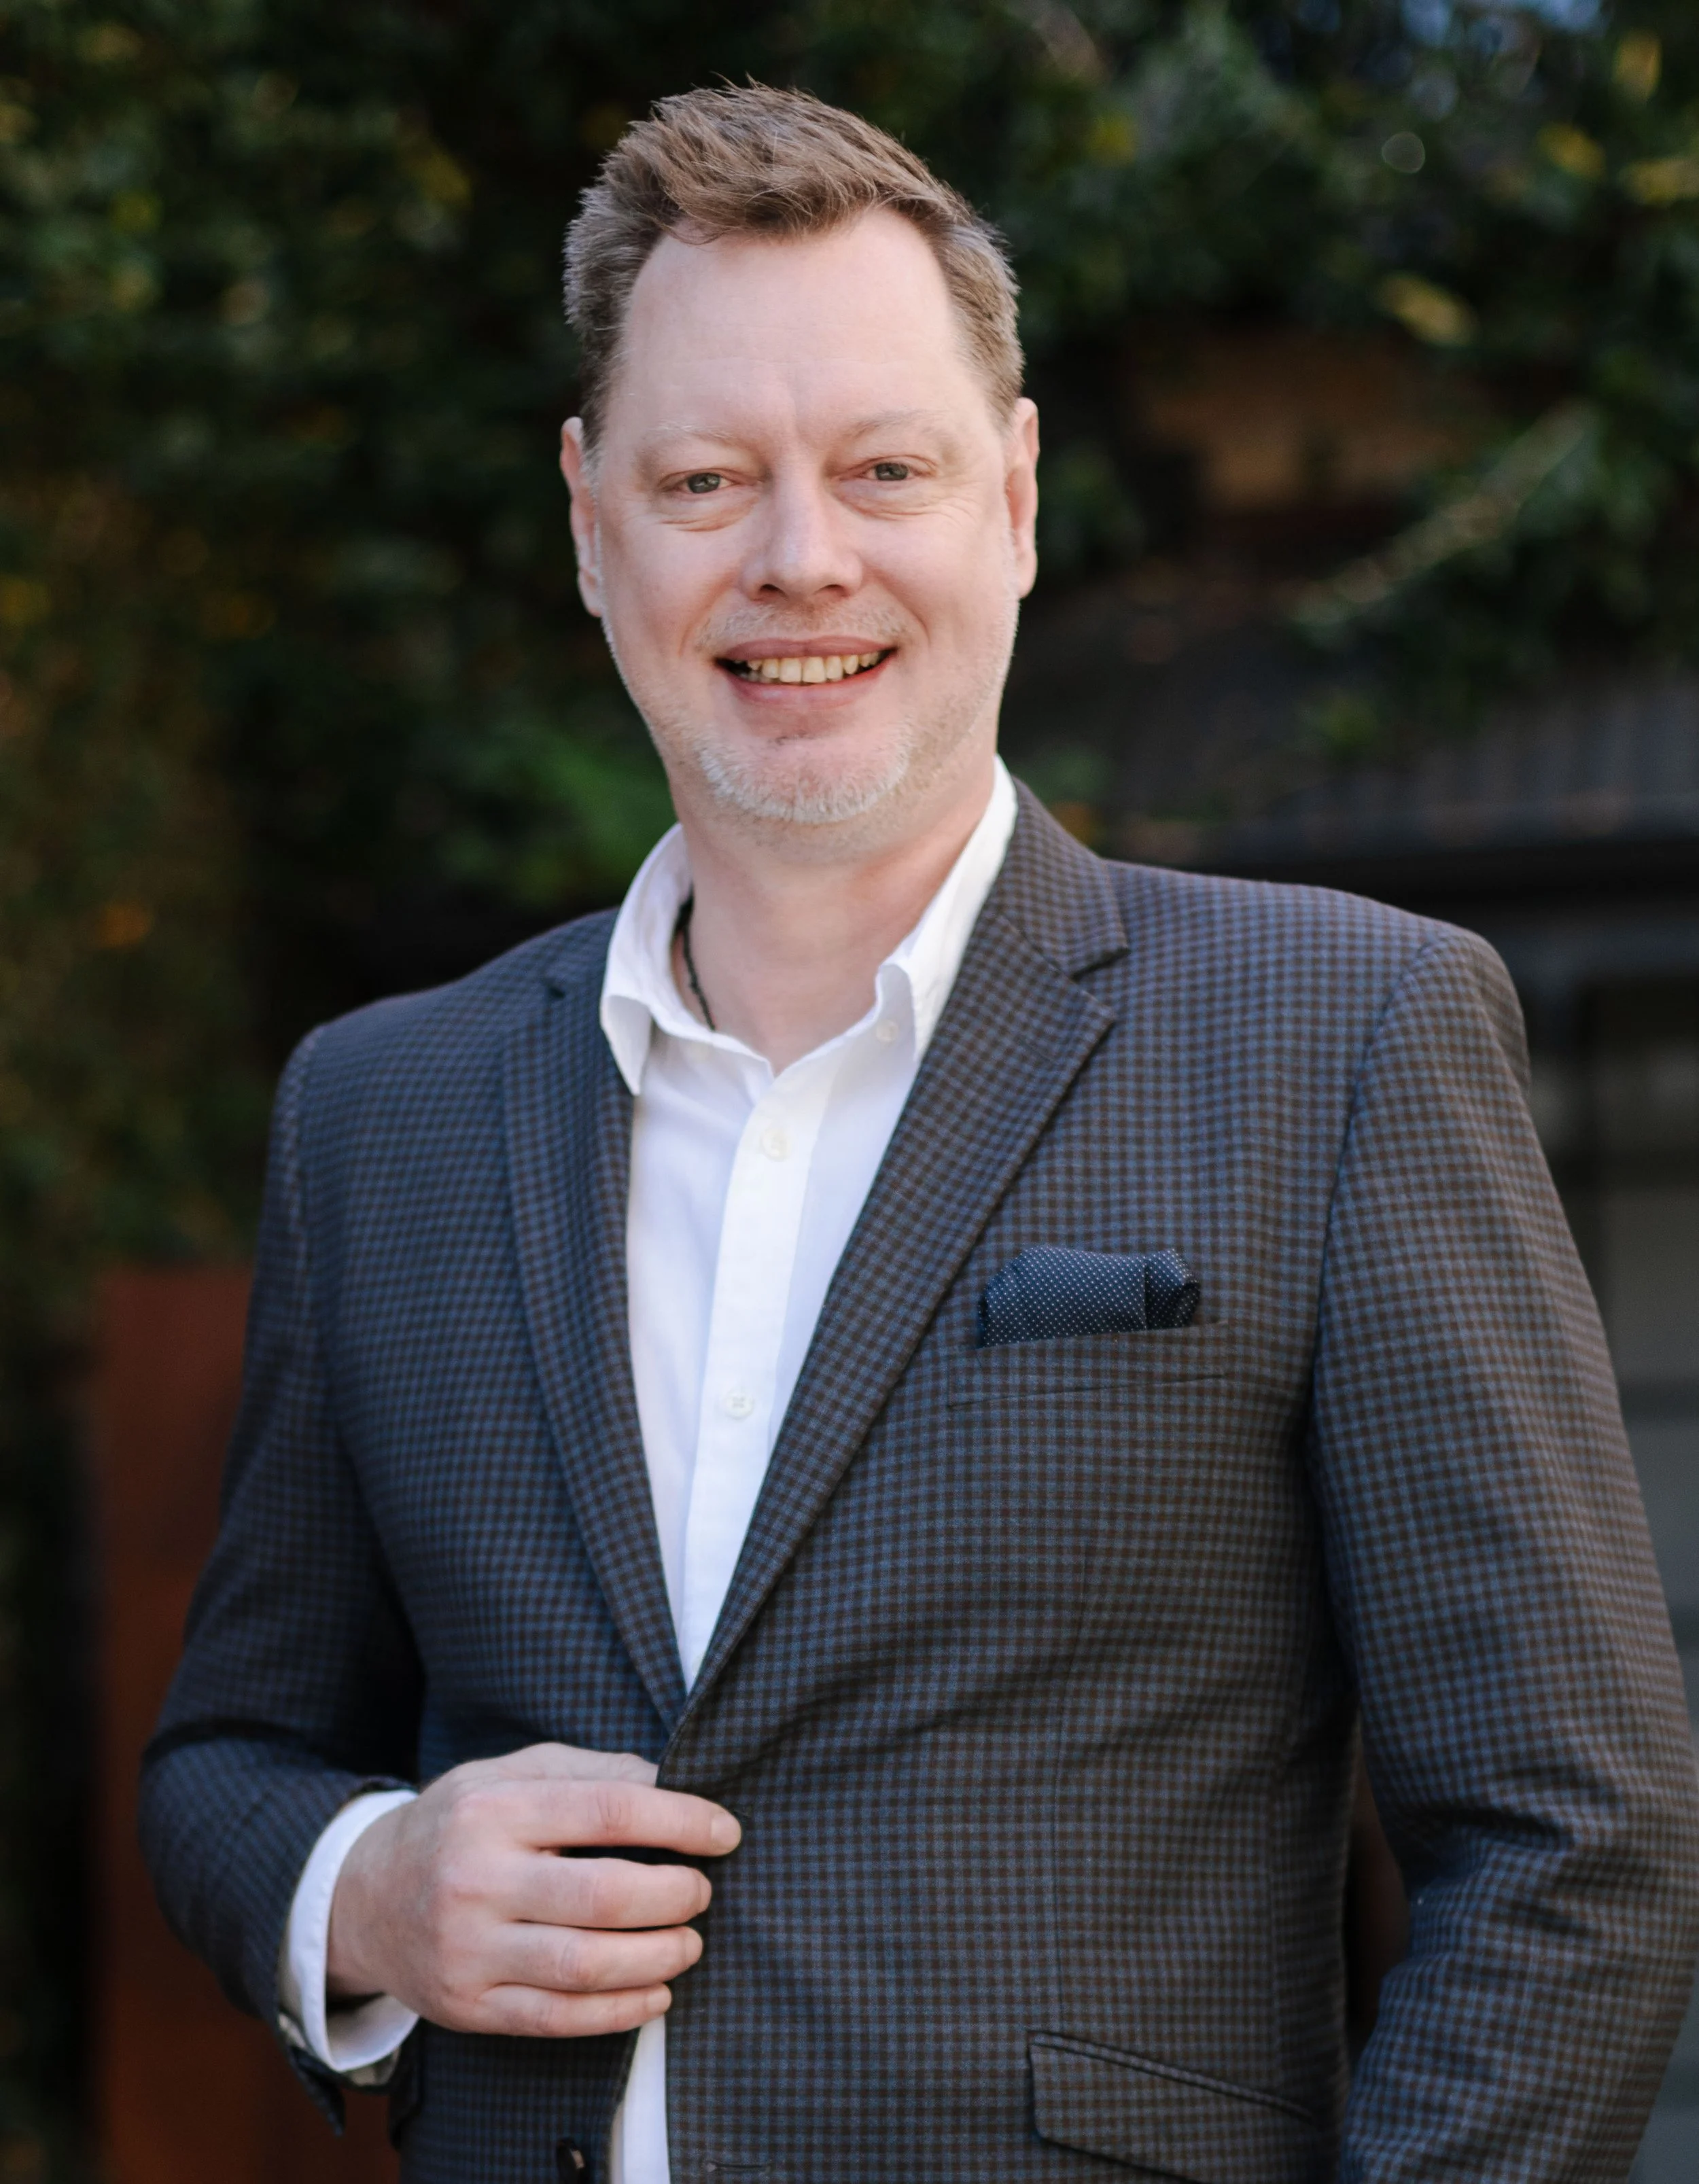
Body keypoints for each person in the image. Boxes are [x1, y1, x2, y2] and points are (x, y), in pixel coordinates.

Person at [141, 84, 1699, 2184]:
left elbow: (1573, 1843)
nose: (803, 557)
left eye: (884, 467)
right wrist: (366, 1882)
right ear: (593, 518)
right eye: (710, 477)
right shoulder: (376, 1114)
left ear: (1016, 499)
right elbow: (234, 1751)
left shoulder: (1338, 1037)